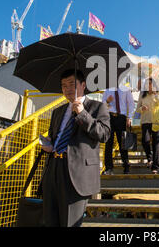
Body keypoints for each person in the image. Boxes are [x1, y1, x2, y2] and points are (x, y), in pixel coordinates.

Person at [40, 69, 110, 227]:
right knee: (50, 220)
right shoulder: (57, 112)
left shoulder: (98, 107)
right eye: (63, 86)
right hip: (53, 169)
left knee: (69, 222)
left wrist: (83, 114)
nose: (67, 89)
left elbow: (104, 134)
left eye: (72, 84)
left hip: (76, 173)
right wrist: (49, 145)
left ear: (83, 85)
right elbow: (55, 136)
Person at [101, 85, 135, 175]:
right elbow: (102, 105)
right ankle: (108, 168)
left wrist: (129, 117)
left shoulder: (126, 89)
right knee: (109, 143)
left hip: (121, 118)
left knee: (122, 143)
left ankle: (126, 165)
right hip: (110, 117)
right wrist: (107, 101)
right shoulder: (108, 90)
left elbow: (131, 104)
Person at [135, 78, 159, 174]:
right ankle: (149, 158)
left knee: (156, 144)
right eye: (147, 84)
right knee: (145, 140)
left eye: (150, 84)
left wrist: (156, 95)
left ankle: (155, 167)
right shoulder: (142, 94)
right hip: (145, 121)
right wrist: (141, 108)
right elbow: (137, 109)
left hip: (156, 121)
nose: (149, 86)